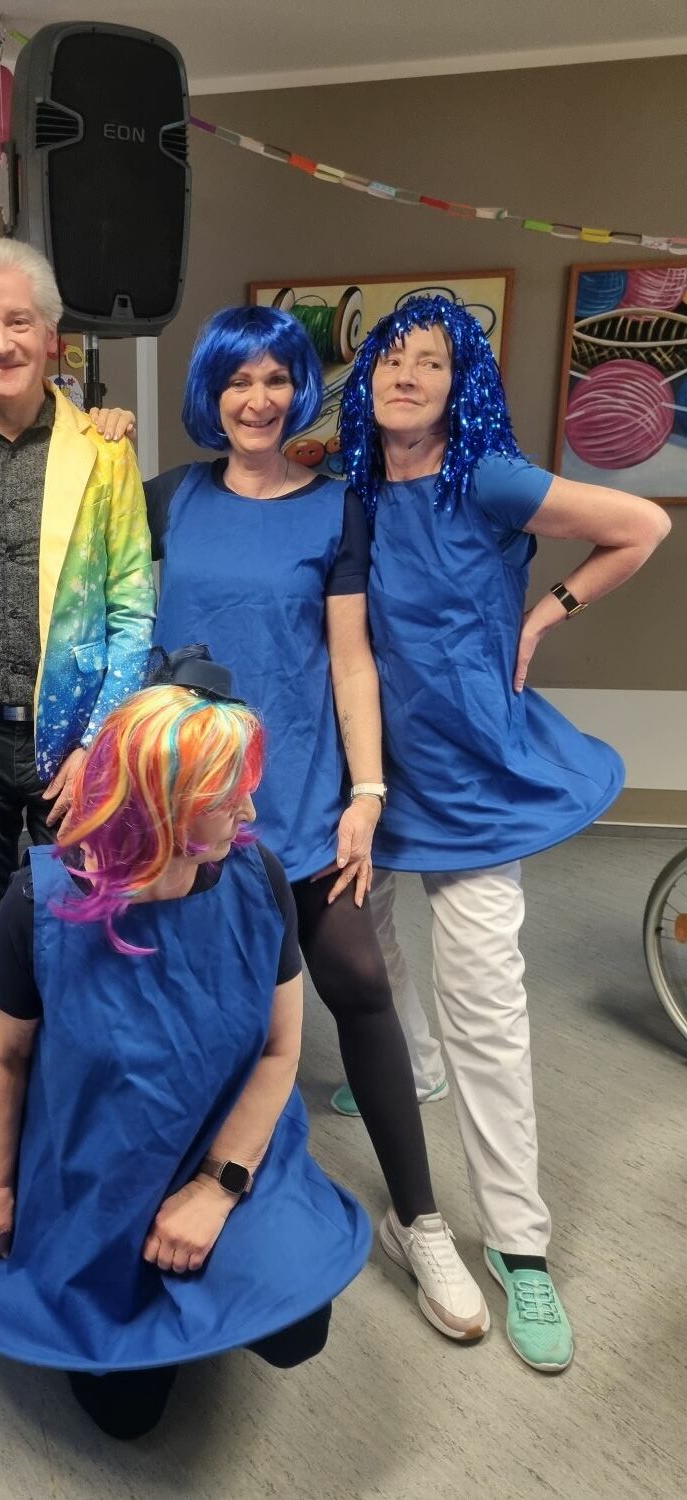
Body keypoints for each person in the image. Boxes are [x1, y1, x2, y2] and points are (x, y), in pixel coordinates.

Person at [337, 294, 671, 1373]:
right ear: (366, 376)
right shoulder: (348, 481)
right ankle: (414, 1063)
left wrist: (545, 611)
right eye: (390, 359)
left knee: (486, 1005)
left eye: (430, 362)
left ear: (459, 383)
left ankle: (520, 1247)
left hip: (474, 776)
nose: (406, 377)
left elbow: (643, 526)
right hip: (372, 773)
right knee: (371, 955)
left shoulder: (490, 477)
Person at [145, 305, 487, 1342]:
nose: (257, 400)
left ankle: (418, 1221)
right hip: (184, 811)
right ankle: (193, 1195)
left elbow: (350, 661)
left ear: (301, 390)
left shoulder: (337, 507)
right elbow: (109, 624)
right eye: (237, 381)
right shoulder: (164, 498)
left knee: (361, 985)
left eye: (276, 379)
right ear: (210, 393)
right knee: (196, 1012)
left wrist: (367, 793)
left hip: (294, 799)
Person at [0, 655, 371, 1439]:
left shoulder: (257, 878)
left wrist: (216, 1187)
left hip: (225, 1144)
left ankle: (212, 1269)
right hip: (97, 1169)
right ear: (158, 806)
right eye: (224, 796)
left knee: (295, 1331)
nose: (249, 808)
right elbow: (5, 1059)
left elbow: (280, 1053)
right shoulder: (36, 904)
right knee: (126, 1418)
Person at [0, 236, 155, 1045]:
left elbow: (132, 613)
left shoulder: (103, 451)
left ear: (50, 335)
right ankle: (6, 1084)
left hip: (76, 747)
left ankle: (81, 1086)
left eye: (17, 322)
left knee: (93, 924)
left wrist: (95, 746)